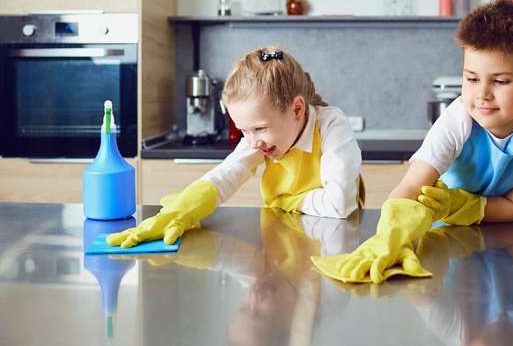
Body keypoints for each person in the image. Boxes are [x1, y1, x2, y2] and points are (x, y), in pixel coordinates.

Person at [312, 0, 513, 283]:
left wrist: (460, 204)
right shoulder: (457, 119)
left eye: (499, 81)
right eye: (472, 78)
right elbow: (411, 186)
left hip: (511, 243)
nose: (482, 94)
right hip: (442, 241)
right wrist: (388, 239)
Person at [108, 46, 364, 248]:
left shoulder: (331, 125)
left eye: (260, 128)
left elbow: (338, 205)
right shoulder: (260, 138)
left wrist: (286, 201)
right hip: (284, 241)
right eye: (244, 130)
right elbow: (225, 175)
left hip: (334, 242)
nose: (252, 142)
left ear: (297, 109)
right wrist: (182, 211)